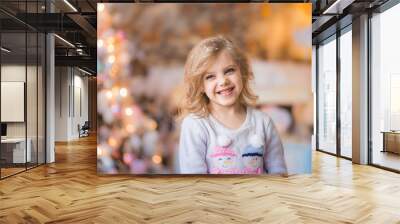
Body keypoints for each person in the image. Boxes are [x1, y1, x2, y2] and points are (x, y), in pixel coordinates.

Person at [178, 36, 287, 175]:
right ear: (200, 86)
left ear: (242, 72)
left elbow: (279, 173)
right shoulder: (195, 125)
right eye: (210, 76)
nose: (223, 81)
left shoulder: (263, 123)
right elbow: (194, 182)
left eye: (229, 71)